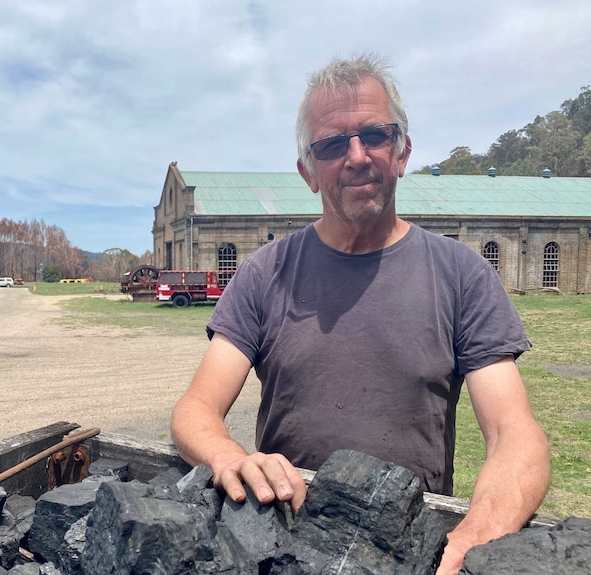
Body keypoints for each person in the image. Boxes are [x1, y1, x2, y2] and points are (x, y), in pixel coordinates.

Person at [170, 54, 550, 574]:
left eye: (374, 135)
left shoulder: (462, 275)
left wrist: (485, 524)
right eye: (331, 145)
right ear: (307, 171)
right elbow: (196, 408)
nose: (357, 157)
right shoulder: (265, 273)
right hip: (285, 540)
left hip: (407, 550)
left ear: (402, 152)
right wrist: (227, 456)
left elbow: (514, 433)